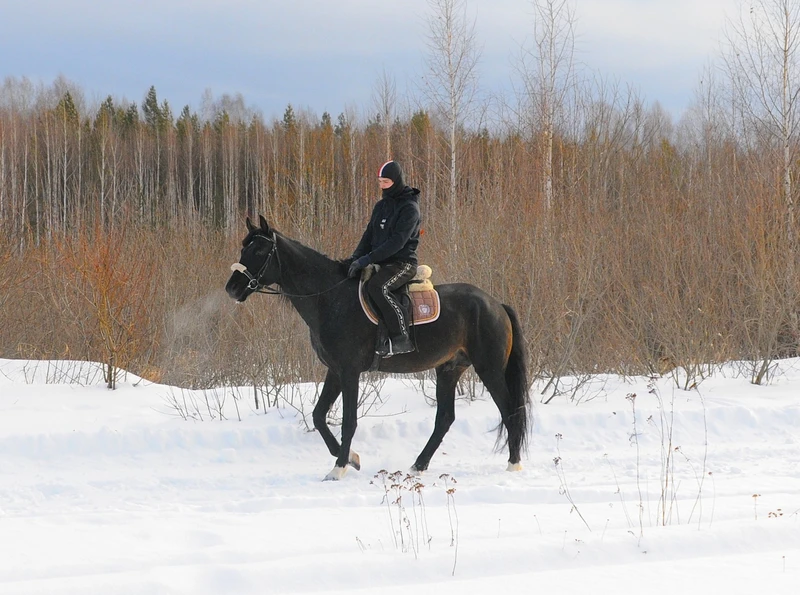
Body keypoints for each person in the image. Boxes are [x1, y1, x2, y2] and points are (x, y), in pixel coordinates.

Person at [348, 160, 421, 357]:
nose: (382, 186)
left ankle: (401, 337)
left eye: (386, 182)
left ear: (396, 181)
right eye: (380, 181)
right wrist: (355, 258)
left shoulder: (409, 208)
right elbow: (369, 234)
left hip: (403, 263)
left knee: (377, 287)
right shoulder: (381, 206)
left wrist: (367, 259)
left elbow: (396, 242)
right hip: (380, 261)